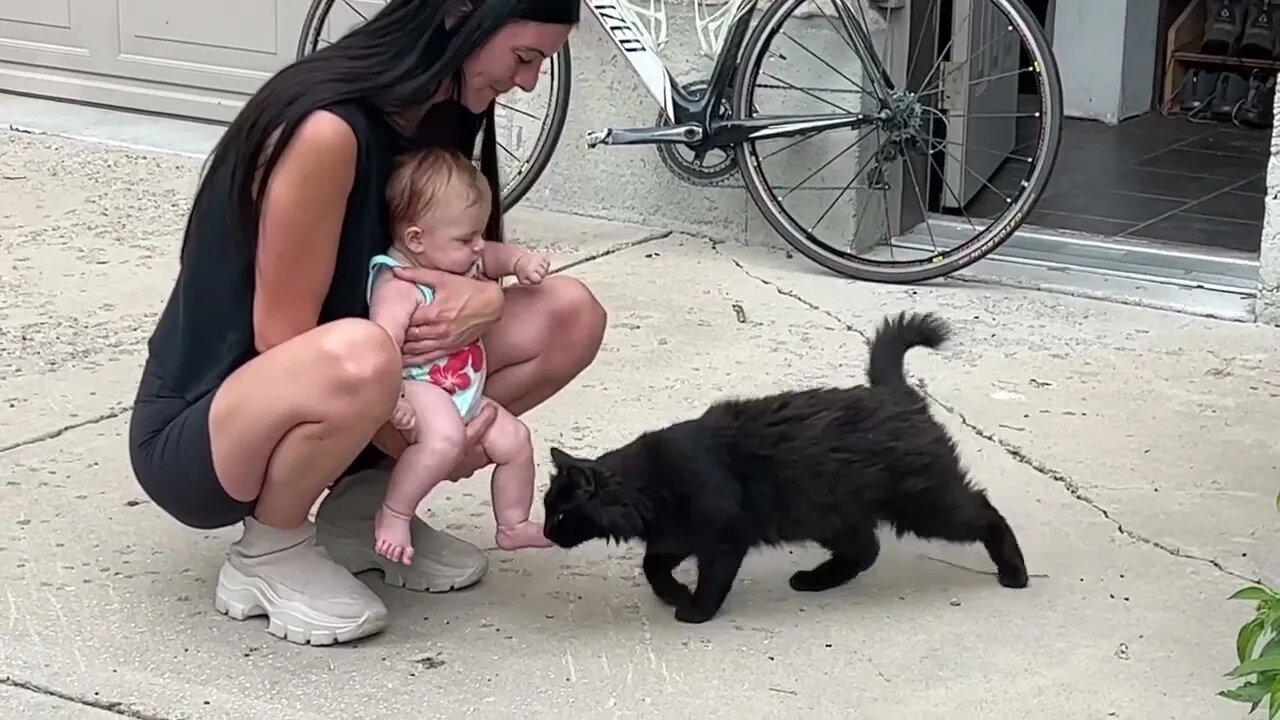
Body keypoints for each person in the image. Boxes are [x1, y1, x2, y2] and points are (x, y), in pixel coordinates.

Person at [126, 0, 603, 646]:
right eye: (524, 58)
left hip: (358, 385)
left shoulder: (446, 113)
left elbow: (444, 258)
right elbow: (282, 336)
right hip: (207, 432)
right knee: (367, 353)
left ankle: (363, 509)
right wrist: (424, 431)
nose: (527, 84)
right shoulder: (327, 129)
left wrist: (484, 300)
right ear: (461, 15)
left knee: (570, 315)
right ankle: (269, 550)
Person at [368, 146, 554, 564]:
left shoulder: (455, 256)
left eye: (479, 233)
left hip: (463, 389)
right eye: (466, 238)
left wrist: (520, 260)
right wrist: (391, 397)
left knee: (515, 441)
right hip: (418, 385)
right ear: (415, 238)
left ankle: (513, 524)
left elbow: (492, 255)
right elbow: (382, 344)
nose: (478, 247)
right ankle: (394, 513)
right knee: (444, 439)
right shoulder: (399, 283)